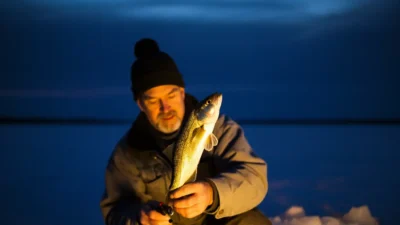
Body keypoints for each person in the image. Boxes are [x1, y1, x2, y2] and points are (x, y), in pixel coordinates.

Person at [99, 38, 272, 225]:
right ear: (140, 104)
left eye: (171, 95)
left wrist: (212, 193)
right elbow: (115, 209)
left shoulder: (220, 129)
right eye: (152, 100)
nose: (165, 107)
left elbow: (255, 179)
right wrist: (140, 218)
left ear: (182, 92)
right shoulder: (128, 152)